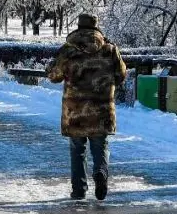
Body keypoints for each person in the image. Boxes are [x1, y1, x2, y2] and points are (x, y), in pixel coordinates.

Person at [46, 13, 127, 200]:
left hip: (75, 111)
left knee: (77, 150)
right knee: (101, 145)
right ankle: (100, 172)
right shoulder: (110, 49)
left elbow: (54, 76)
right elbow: (121, 75)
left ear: (79, 26)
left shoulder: (68, 50)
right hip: (102, 108)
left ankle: (79, 190)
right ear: (96, 26)